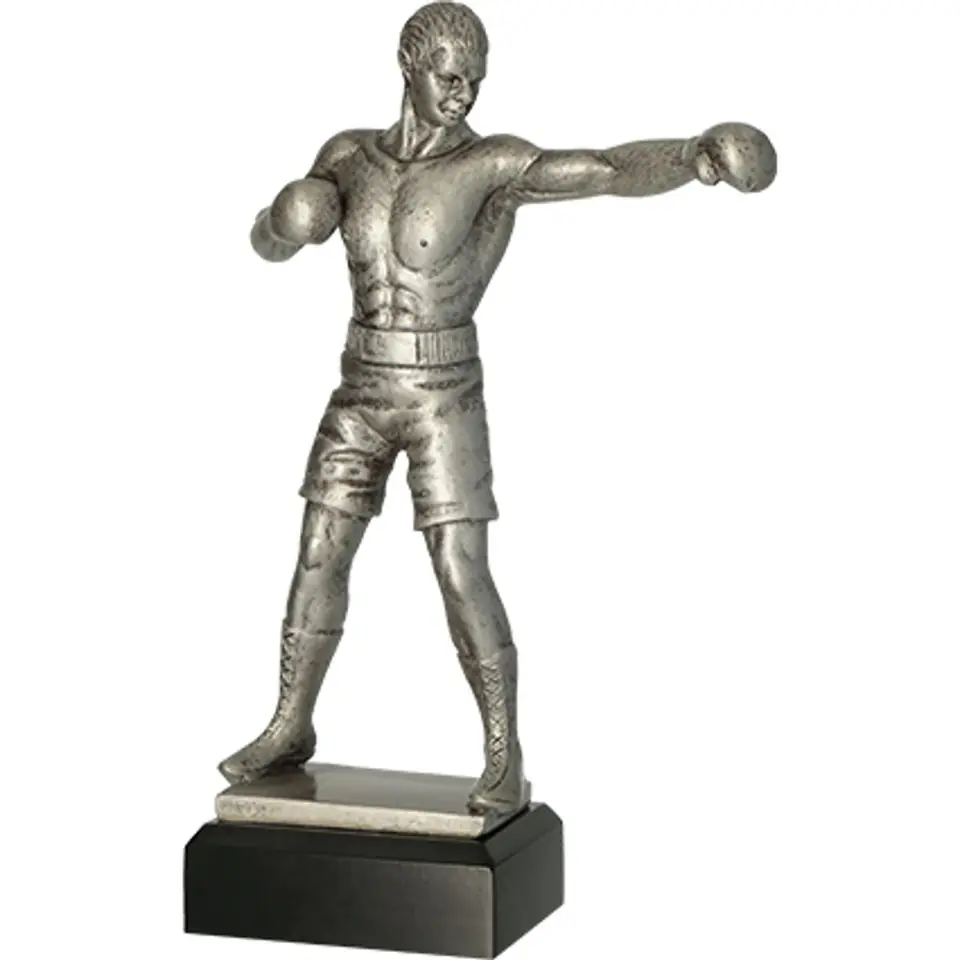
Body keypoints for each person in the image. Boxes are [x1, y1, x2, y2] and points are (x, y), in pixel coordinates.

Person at [219, 1, 777, 814]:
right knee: (317, 554)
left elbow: (605, 170)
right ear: (408, 66)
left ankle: (503, 751)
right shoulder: (345, 157)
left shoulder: (492, 166)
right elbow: (269, 244)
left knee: (459, 569)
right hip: (360, 385)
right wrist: (281, 219)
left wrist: (691, 156)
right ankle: (289, 724)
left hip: (444, 393)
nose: (463, 95)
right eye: (449, 78)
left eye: (474, 81)